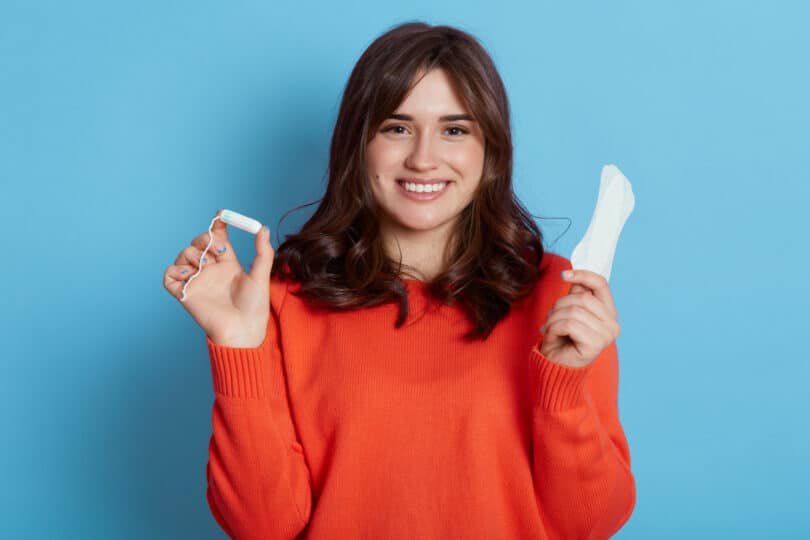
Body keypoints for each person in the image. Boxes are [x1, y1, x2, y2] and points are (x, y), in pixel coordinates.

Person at [163, 21, 636, 540]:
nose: (423, 158)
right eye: (397, 127)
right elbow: (263, 527)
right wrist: (238, 349)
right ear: (357, 144)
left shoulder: (559, 295)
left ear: (491, 150)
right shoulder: (277, 300)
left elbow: (588, 524)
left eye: (454, 129)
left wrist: (564, 388)